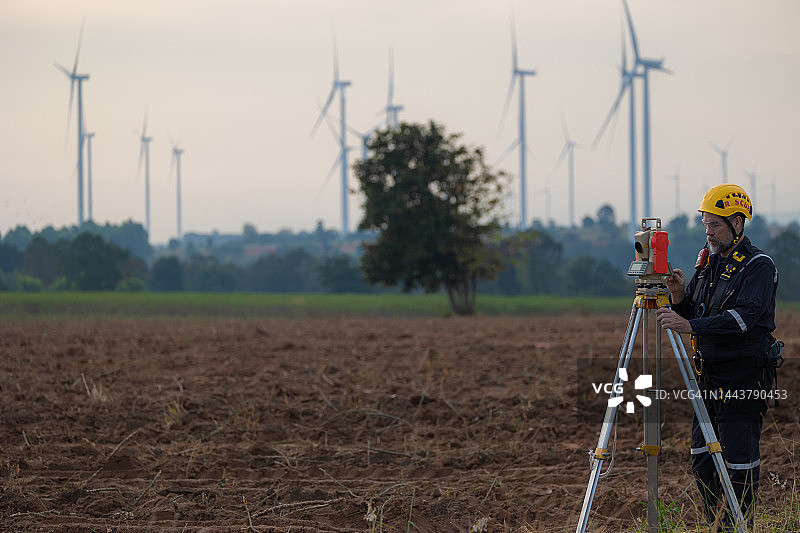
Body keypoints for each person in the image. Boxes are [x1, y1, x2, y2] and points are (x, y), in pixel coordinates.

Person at [656, 183, 779, 530]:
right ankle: (716, 524)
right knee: (701, 459)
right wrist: (679, 295)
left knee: (738, 463)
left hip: (743, 376)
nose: (708, 231)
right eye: (706, 223)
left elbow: (743, 318)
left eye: (715, 224)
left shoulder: (759, 266)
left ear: (738, 224)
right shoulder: (708, 262)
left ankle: (741, 525)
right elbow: (695, 310)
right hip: (708, 377)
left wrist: (688, 323)